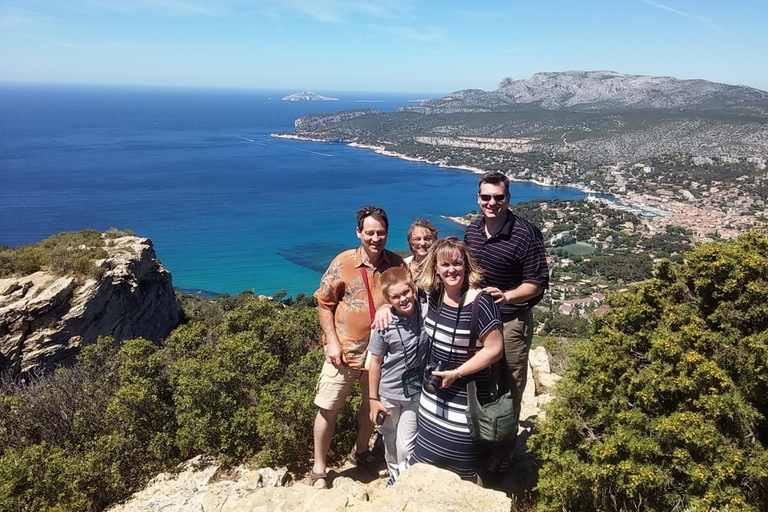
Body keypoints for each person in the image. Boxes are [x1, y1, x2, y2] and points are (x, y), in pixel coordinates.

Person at [310, 206, 406, 489]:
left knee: (370, 406)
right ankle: (319, 468)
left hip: (380, 354)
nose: (376, 238)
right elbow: (324, 302)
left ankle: (361, 452)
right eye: (370, 232)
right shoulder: (344, 262)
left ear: (387, 233)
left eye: (381, 232)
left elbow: (406, 298)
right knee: (328, 408)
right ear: (359, 233)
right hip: (344, 353)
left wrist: (389, 305)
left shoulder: (396, 265)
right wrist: (333, 343)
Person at [463, 171, 549, 478]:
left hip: (512, 321)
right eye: (486, 197)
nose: (492, 203)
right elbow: (468, 274)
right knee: (484, 382)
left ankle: (504, 451)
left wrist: (508, 296)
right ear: (478, 199)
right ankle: (485, 438)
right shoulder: (472, 232)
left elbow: (538, 282)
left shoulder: (525, 233)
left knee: (511, 385)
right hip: (480, 322)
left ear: (508, 199)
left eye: (498, 197)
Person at [407, 236, 504, 484]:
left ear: (466, 266)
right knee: (424, 456)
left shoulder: (482, 303)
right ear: (436, 269)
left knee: (464, 465)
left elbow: (495, 350)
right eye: (445, 265)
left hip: (467, 398)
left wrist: (458, 372)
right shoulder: (434, 297)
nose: (452, 270)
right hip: (433, 395)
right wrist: (386, 309)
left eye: (457, 264)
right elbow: (398, 294)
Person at [367, 267, 427, 485]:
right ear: (387, 299)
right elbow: (375, 362)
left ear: (413, 290)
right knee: (390, 439)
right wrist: (373, 399)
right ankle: (394, 475)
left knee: (406, 444)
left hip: (414, 394)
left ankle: (405, 478)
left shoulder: (425, 311)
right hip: (388, 394)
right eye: (395, 297)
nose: (403, 299)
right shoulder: (384, 325)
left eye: (406, 293)